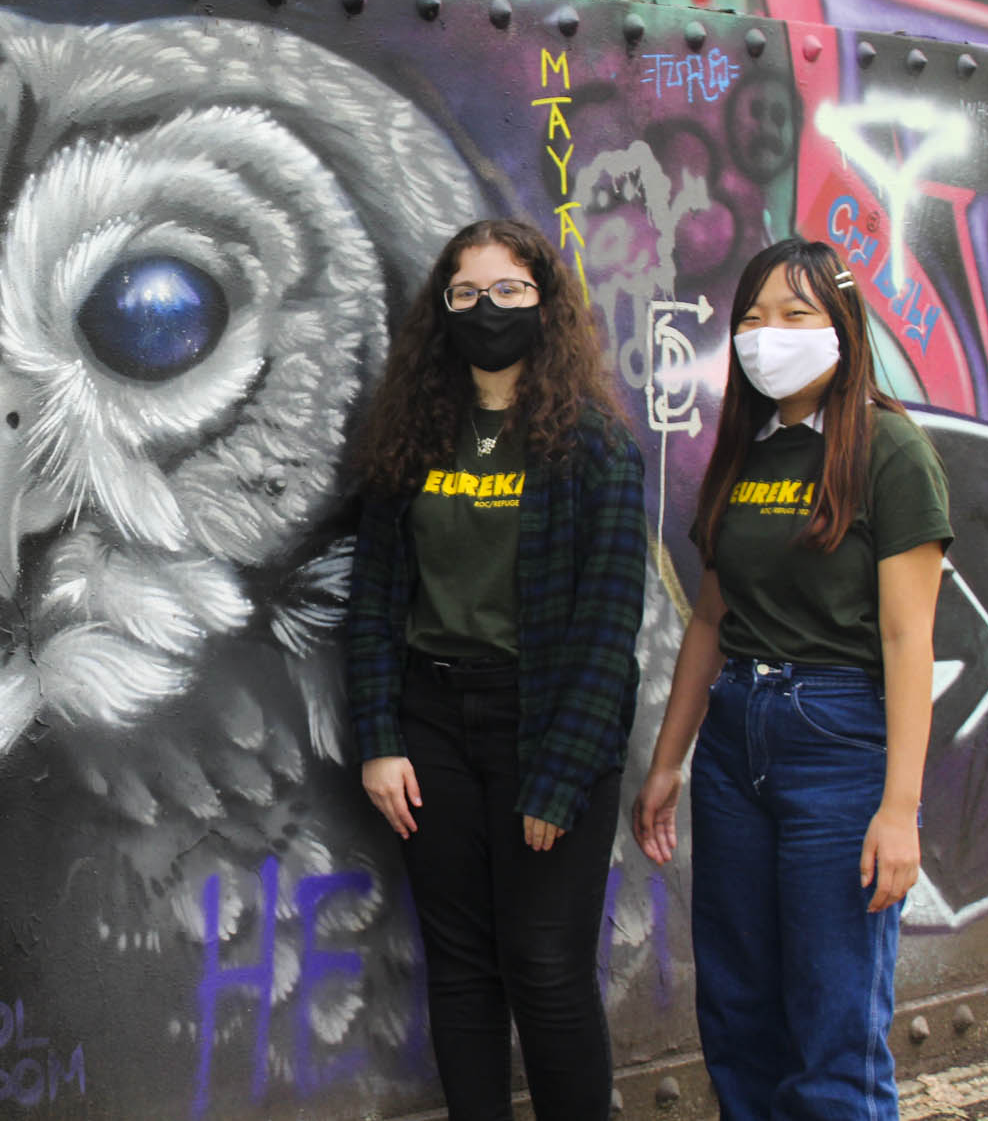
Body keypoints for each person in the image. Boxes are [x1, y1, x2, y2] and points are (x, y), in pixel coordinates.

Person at [631, 239, 949, 1118]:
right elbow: (708, 618)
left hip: (839, 743)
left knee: (833, 1024)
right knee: (736, 1012)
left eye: (796, 315)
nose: (769, 336)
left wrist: (898, 808)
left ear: (843, 327)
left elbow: (907, 638)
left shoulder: (889, 451)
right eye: (753, 318)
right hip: (736, 739)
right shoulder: (743, 453)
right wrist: (668, 761)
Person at [345, 217, 647, 1120]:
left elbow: (607, 630)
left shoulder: (593, 449)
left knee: (547, 970)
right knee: (464, 972)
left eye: (509, 290)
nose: (487, 309)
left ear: (545, 304)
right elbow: (373, 600)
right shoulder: (413, 440)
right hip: (430, 729)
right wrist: (377, 736)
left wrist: (559, 779)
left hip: (545, 729)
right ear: (442, 311)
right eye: (467, 293)